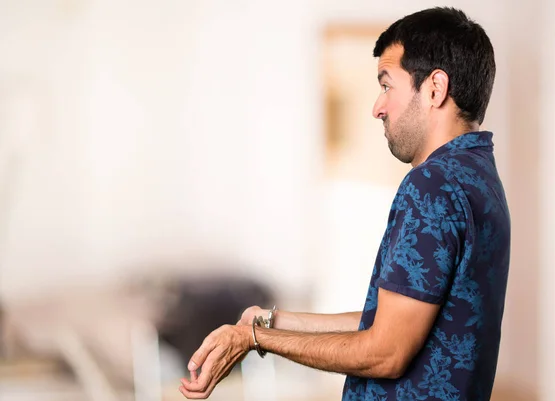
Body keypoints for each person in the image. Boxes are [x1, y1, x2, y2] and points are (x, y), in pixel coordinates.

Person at [179, 7, 510, 401]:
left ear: (435, 88)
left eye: (387, 85)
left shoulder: (432, 185)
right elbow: (390, 325)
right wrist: (270, 321)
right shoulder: (478, 175)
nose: (377, 107)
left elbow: (386, 353)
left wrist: (253, 339)